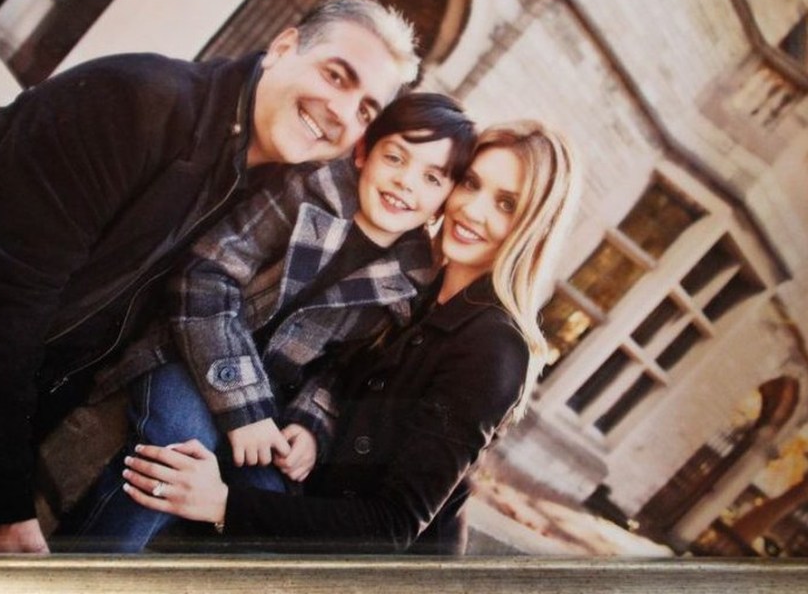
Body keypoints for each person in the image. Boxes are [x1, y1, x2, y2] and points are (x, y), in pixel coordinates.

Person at [0, 0, 419, 553]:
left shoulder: (267, 196)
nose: (343, 112)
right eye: (337, 76)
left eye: (366, 109)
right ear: (283, 46)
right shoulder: (136, 102)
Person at [117, 119, 580, 554]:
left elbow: (391, 527)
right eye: (472, 183)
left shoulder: (495, 349)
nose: (472, 210)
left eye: (506, 204)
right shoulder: (417, 285)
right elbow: (336, 369)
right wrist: (312, 426)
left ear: (532, 228)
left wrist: (222, 505)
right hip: (298, 507)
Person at [62, 93, 475, 552]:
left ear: (444, 200)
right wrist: (243, 405)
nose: (405, 182)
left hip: (272, 406)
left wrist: (311, 424)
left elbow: (342, 368)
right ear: (363, 153)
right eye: (395, 157)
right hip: (190, 353)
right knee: (183, 444)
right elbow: (206, 275)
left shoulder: (410, 278)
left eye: (432, 177)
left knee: (269, 499)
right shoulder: (306, 192)